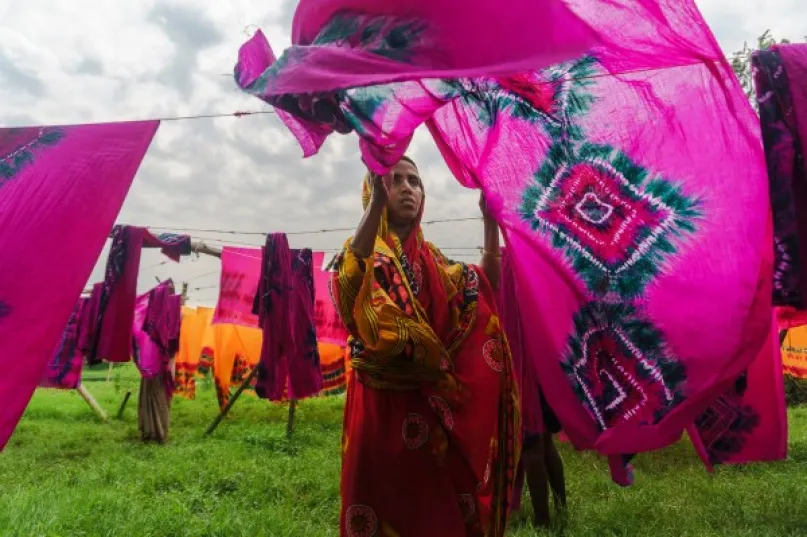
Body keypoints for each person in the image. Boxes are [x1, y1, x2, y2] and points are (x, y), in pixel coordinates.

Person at [330, 156, 520, 537]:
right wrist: (375, 210)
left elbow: (483, 287)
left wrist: (488, 221)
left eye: (414, 181)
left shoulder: (433, 260)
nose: (405, 188)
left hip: (428, 411)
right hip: (378, 411)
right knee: (379, 500)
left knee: (432, 512)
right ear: (373, 190)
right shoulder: (362, 252)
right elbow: (352, 290)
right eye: (393, 180)